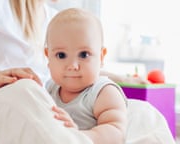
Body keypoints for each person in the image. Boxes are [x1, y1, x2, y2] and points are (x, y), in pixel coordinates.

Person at [0, 0, 146, 143]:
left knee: (138, 112)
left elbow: (78, 65)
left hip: (36, 108)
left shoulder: (55, 20)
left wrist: (120, 79)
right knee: (26, 89)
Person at [44, 8, 127, 144]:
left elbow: (116, 132)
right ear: (48, 57)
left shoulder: (103, 92)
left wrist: (79, 137)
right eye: (61, 55)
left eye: (84, 55)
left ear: (101, 57)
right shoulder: (49, 90)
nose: (72, 66)